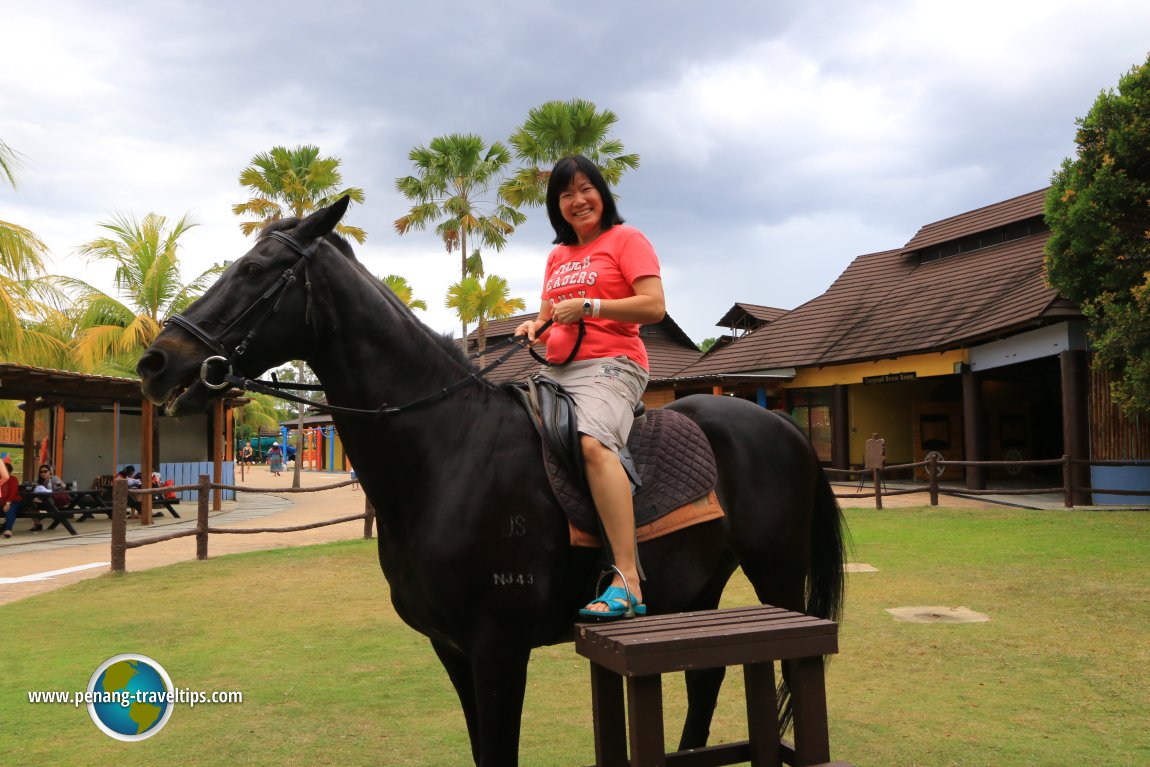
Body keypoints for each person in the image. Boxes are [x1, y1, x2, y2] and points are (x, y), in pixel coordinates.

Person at [514, 155, 665, 619]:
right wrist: (532, 325)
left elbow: (654, 306)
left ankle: (627, 579)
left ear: (601, 191)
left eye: (585, 189)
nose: (577, 200)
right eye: (565, 194)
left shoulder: (627, 239)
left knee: (592, 444)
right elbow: (548, 313)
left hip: (613, 365)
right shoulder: (557, 256)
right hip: (557, 370)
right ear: (556, 206)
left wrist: (592, 305)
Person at [1, 460, 21, 538]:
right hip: (2, 502)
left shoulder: (13, 479)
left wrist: (8, 503)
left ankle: (8, 530)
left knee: (10, 509)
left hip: (14, 501)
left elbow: (13, 492)